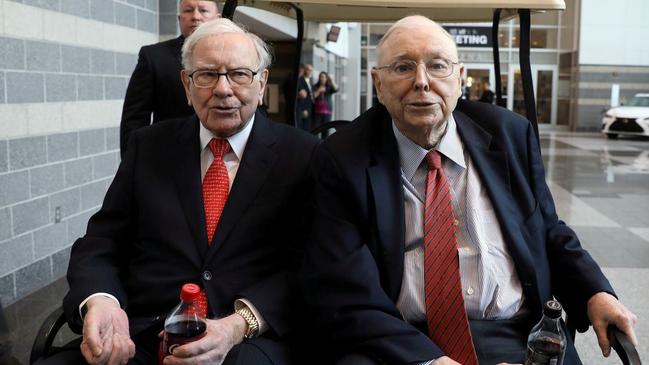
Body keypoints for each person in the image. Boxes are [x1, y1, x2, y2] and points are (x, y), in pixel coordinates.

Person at [301, 15, 637, 365]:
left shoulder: (510, 135)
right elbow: (343, 288)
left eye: (438, 66)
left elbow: (550, 232)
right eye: (402, 67)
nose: (421, 82)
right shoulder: (341, 159)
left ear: (460, 79)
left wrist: (595, 293)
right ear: (378, 83)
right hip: (401, 340)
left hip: (515, 332)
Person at [39, 18, 318, 365]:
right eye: (207, 75)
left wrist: (239, 324)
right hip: (141, 336)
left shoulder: (303, 155)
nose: (223, 89)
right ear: (187, 85)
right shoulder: (149, 146)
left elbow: (311, 263)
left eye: (239, 74)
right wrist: (102, 301)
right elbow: (102, 242)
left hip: (245, 340)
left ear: (261, 83)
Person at [119, 0, 220, 159]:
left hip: (226, 157)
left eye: (203, 10)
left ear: (217, 18)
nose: (195, 16)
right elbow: (134, 120)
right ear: (179, 18)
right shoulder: (154, 57)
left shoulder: (235, 54)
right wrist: (132, 165)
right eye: (188, 10)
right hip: (169, 158)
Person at [296, 63, 314, 131]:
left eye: (311, 70)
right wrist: (304, 109)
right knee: (303, 128)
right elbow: (302, 96)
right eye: (308, 70)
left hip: (310, 108)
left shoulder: (309, 81)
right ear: (304, 70)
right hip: (303, 108)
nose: (310, 72)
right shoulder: (300, 80)